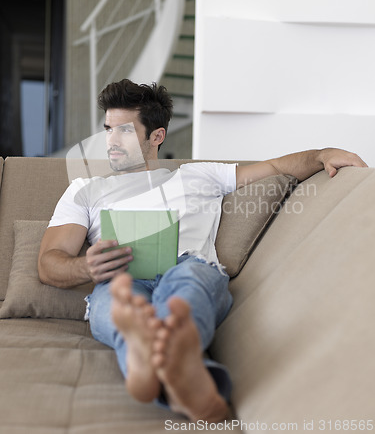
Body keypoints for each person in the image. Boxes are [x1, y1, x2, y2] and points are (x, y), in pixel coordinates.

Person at [38, 79, 367, 423]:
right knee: (117, 302)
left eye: (123, 131)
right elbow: (49, 263)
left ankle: (150, 362)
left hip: (188, 266)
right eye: (108, 130)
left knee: (188, 285)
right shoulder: (85, 190)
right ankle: (183, 375)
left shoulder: (198, 176)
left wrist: (320, 155)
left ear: (156, 137)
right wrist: (87, 269)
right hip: (119, 278)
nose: (110, 142)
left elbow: (276, 168)